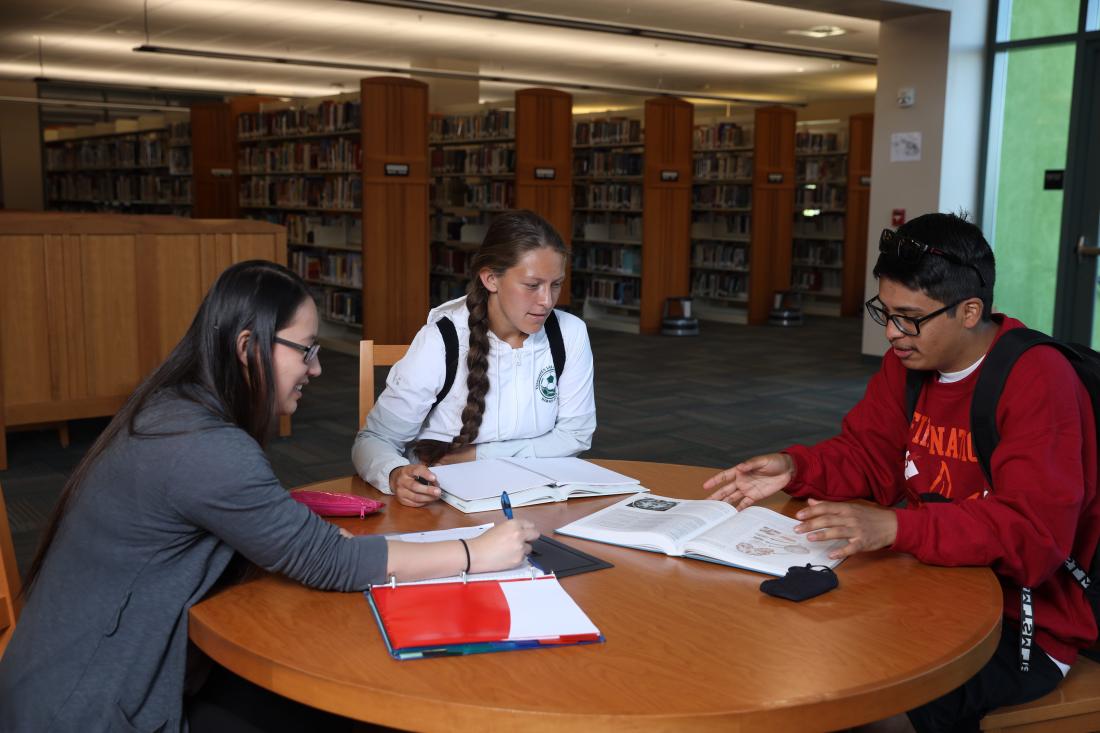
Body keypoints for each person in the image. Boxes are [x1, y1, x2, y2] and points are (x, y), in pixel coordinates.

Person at [0, 260, 537, 732]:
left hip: (82, 670)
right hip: (97, 706)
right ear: (246, 348)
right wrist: (477, 553)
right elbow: (329, 562)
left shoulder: (173, 408)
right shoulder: (204, 446)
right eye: (306, 350)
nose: (317, 368)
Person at [703, 213, 1100, 732]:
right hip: (929, 588)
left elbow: (1035, 537)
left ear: (969, 311)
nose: (892, 333)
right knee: (790, 657)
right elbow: (871, 456)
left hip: (1022, 625)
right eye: (884, 312)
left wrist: (895, 528)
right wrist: (797, 465)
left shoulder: (1037, 381)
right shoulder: (909, 363)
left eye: (909, 317)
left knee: (871, 712)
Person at [353, 210, 596, 507]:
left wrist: (479, 455)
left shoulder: (570, 333)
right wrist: (394, 474)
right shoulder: (441, 340)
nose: (547, 300)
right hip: (442, 501)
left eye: (555, 284)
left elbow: (576, 436)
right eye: (532, 286)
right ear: (491, 278)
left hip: (538, 497)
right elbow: (372, 441)